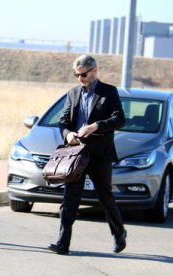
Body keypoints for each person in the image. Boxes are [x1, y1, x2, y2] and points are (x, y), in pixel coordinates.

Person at [48, 55, 127, 255]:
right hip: (76, 155)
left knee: (105, 197)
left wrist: (96, 126)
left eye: (83, 74)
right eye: (77, 75)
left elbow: (119, 119)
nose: (80, 78)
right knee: (70, 198)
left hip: (100, 154)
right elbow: (63, 121)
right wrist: (68, 135)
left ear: (94, 71)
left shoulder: (108, 92)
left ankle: (119, 233)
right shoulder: (73, 93)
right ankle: (62, 244)